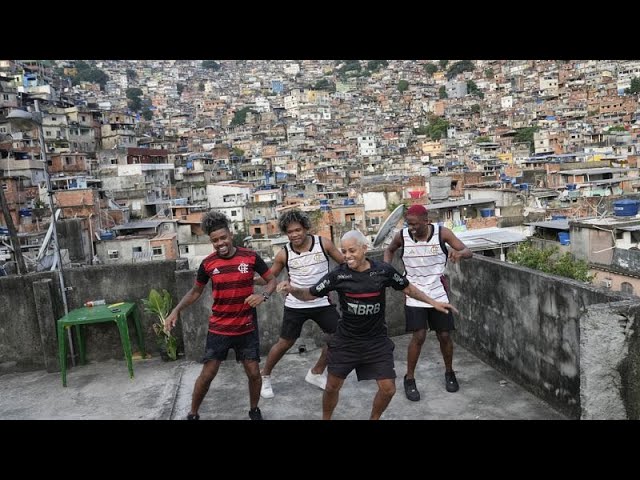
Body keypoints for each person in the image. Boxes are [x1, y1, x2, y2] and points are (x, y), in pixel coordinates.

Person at [278, 230, 456, 420]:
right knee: (331, 387)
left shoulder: (383, 271)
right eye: (344, 251)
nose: (347, 256)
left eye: (352, 250)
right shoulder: (338, 276)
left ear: (365, 248)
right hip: (347, 341)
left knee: (388, 390)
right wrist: (293, 290)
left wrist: (433, 302)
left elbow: (408, 288)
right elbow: (310, 294)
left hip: (376, 341)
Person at [165, 211, 277, 420]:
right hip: (219, 328)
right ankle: (193, 413)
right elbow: (195, 291)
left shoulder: (250, 257)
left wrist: (263, 296)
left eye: (223, 238)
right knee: (207, 374)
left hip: (246, 327)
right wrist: (176, 310)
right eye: (215, 240)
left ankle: (254, 410)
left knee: (253, 372)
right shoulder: (208, 264)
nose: (220, 243)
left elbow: (272, 280)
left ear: (230, 235)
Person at [384, 204, 472, 400]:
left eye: (415, 224)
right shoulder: (402, 236)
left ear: (426, 221)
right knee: (419, 336)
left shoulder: (443, 234)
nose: (411, 228)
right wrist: (385, 269)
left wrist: (459, 254)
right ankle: (409, 378)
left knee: (444, 336)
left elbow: (468, 251)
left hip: (438, 293)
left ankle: (449, 373)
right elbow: (389, 250)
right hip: (414, 293)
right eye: (408, 224)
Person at [259, 209, 344, 399]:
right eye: (290, 232)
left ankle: (316, 373)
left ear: (306, 228)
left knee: (338, 338)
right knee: (284, 343)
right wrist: (249, 278)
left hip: (321, 301)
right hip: (295, 304)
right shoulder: (284, 254)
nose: (294, 235)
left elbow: (343, 264)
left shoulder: (323, 244)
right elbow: (269, 276)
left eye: (298, 230)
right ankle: (264, 376)